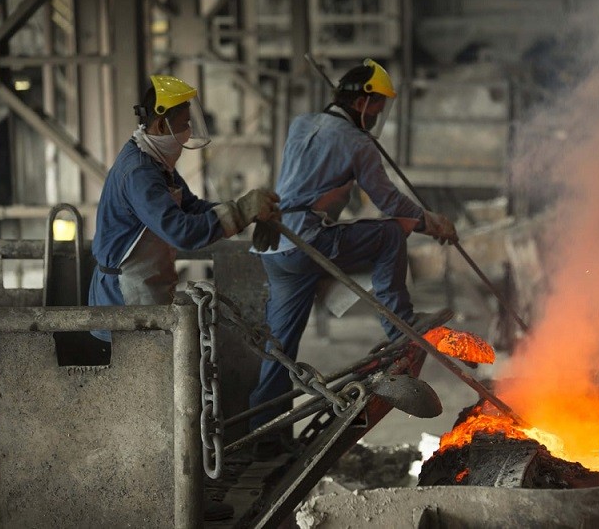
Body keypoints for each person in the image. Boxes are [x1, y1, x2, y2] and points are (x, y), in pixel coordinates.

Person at [247, 59, 458, 455]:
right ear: (363, 101)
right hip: (309, 240)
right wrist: (432, 224)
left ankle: (265, 437)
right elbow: (389, 201)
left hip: (276, 245)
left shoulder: (300, 123)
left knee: (280, 347)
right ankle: (399, 326)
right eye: (378, 105)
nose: (379, 115)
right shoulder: (357, 142)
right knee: (390, 234)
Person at [89, 74, 281, 342]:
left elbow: (192, 208)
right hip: (123, 299)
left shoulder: (156, 164)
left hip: (145, 290)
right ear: (159, 125)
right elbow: (182, 232)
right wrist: (240, 210)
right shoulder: (139, 172)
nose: (188, 131)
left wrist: (247, 213)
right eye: (184, 124)